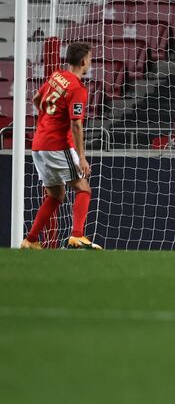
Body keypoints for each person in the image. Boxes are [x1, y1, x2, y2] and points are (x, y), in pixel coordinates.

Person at [22, 41, 100, 250]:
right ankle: (77, 236)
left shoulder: (56, 76)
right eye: (90, 59)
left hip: (38, 145)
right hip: (57, 144)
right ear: (84, 61)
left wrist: (48, 120)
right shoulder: (77, 88)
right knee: (83, 188)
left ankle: (30, 240)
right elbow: (76, 123)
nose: (90, 63)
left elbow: (37, 99)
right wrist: (82, 157)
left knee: (56, 195)